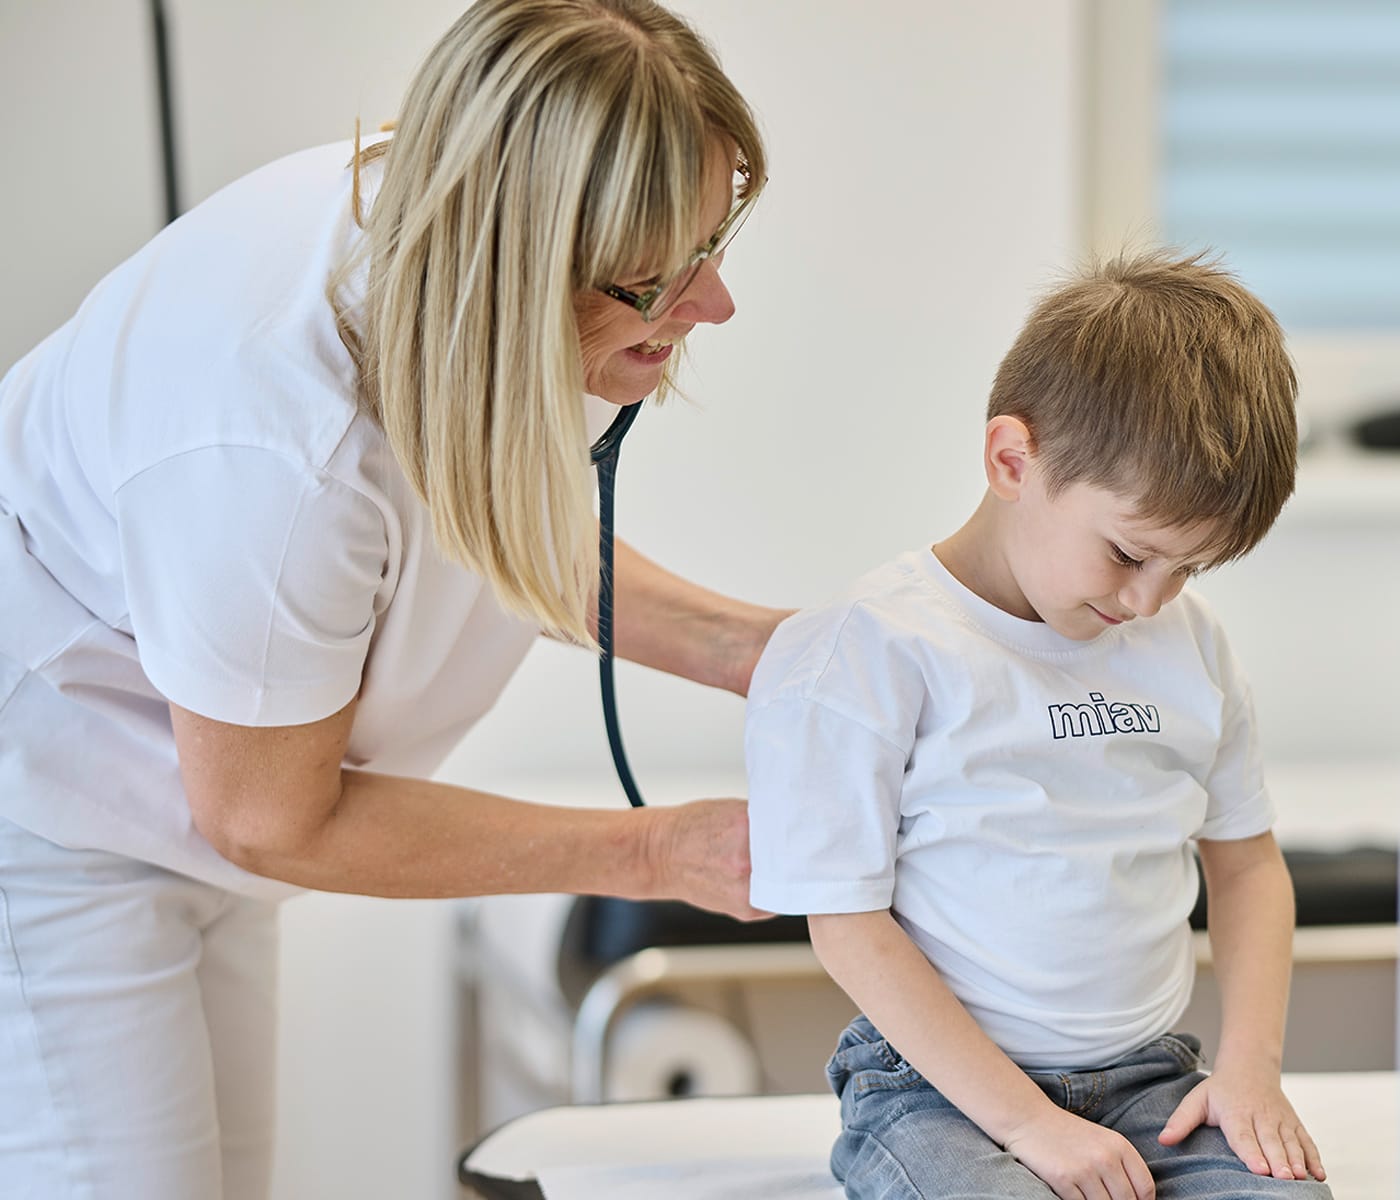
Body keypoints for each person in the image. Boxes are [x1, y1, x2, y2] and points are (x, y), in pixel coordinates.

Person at [0, 1, 786, 1195]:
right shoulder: (273, 443)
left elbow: (497, 518)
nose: (712, 305)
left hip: (203, 787)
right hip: (49, 814)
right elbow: (272, 814)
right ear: (518, 270)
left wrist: (767, 653)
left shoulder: (484, 266)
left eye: (713, 241)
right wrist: (658, 851)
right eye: (659, 281)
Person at [746, 250, 1331, 1200]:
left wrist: (1251, 1068)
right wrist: (1030, 1126)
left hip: (1150, 1077)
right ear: (1013, 459)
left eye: (1188, 570)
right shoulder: (877, 647)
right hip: (935, 1093)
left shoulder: (1190, 645)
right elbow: (845, 920)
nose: (1150, 601)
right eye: (1129, 553)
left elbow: (1248, 864)